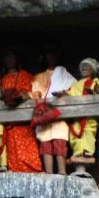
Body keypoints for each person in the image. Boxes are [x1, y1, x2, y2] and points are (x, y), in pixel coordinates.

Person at [31, 43, 77, 175]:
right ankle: (49, 173)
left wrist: (65, 93)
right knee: (45, 142)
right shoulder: (38, 76)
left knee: (60, 140)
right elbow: (34, 93)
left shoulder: (63, 73)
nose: (51, 56)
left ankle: (62, 171)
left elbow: (75, 89)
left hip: (59, 114)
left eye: (54, 54)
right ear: (44, 57)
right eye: (48, 54)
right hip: (44, 113)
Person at [0, 48, 42, 173]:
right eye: (6, 57)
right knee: (11, 149)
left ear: (17, 59)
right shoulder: (2, 80)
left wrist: (22, 96)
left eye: (12, 57)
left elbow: (34, 93)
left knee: (27, 149)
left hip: (24, 120)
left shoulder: (26, 75)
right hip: (8, 121)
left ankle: (32, 171)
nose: (9, 60)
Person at [65, 58, 99, 177]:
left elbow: (98, 92)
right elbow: (70, 95)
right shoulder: (75, 84)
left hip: (88, 118)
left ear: (93, 70)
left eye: (87, 66)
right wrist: (63, 94)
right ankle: (77, 156)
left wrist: (94, 92)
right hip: (76, 117)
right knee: (75, 138)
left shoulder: (95, 81)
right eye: (82, 66)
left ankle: (86, 154)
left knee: (88, 135)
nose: (84, 68)